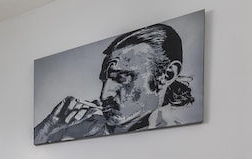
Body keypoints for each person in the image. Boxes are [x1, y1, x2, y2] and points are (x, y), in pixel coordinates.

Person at [34, 23, 195, 145]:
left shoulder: (181, 141)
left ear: (167, 75)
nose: (104, 95)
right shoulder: (75, 127)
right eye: (105, 79)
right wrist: (50, 125)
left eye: (122, 78)